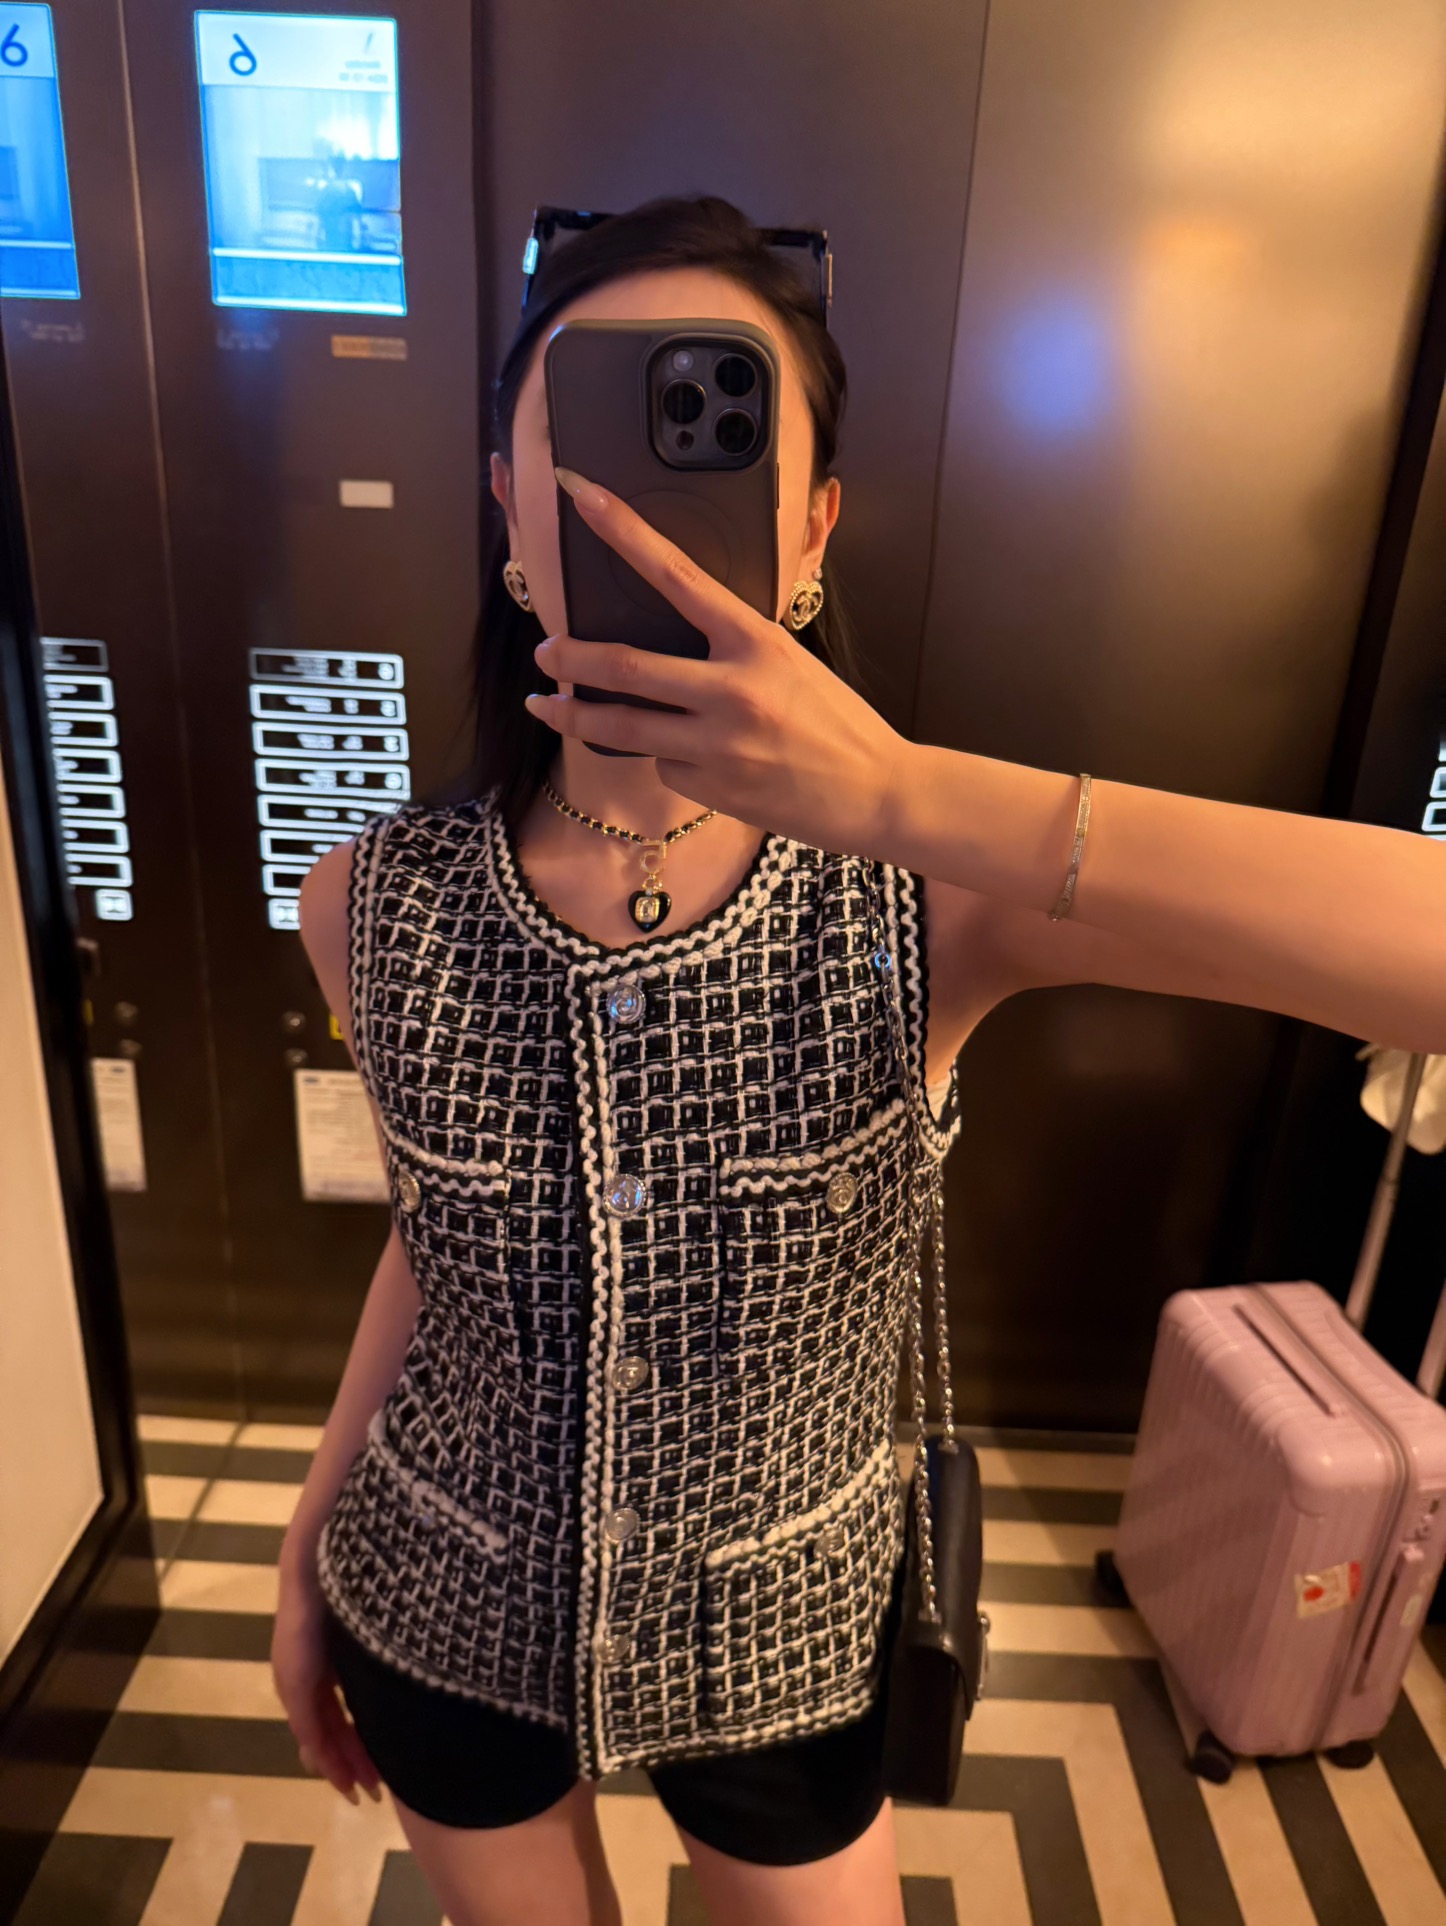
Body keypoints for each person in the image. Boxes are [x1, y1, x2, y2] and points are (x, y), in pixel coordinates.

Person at [270, 196, 1446, 1926]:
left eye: (710, 442)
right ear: (507, 502)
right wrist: (311, 1534)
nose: (637, 512)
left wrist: (909, 795)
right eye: (581, 446)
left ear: (812, 524)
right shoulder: (370, 902)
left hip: (784, 1636)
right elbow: (430, 1242)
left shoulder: (930, 894)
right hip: (443, 1593)